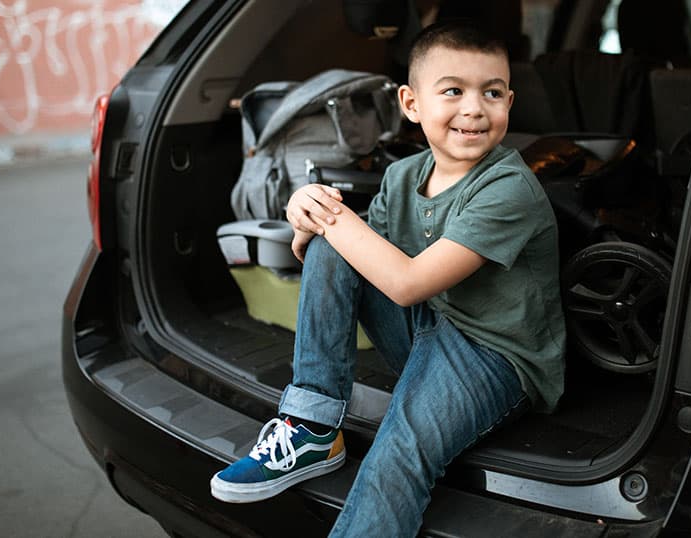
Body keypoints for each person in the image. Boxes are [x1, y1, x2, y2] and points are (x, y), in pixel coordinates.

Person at [210, 20, 566, 537]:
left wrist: (333, 220)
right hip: (428, 325)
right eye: (453, 91)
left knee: (400, 449)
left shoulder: (509, 187)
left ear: (509, 102)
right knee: (337, 244)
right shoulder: (402, 175)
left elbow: (407, 283)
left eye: (491, 92)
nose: (473, 108)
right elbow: (355, 259)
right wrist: (304, 209)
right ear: (411, 103)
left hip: (496, 354)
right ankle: (311, 424)